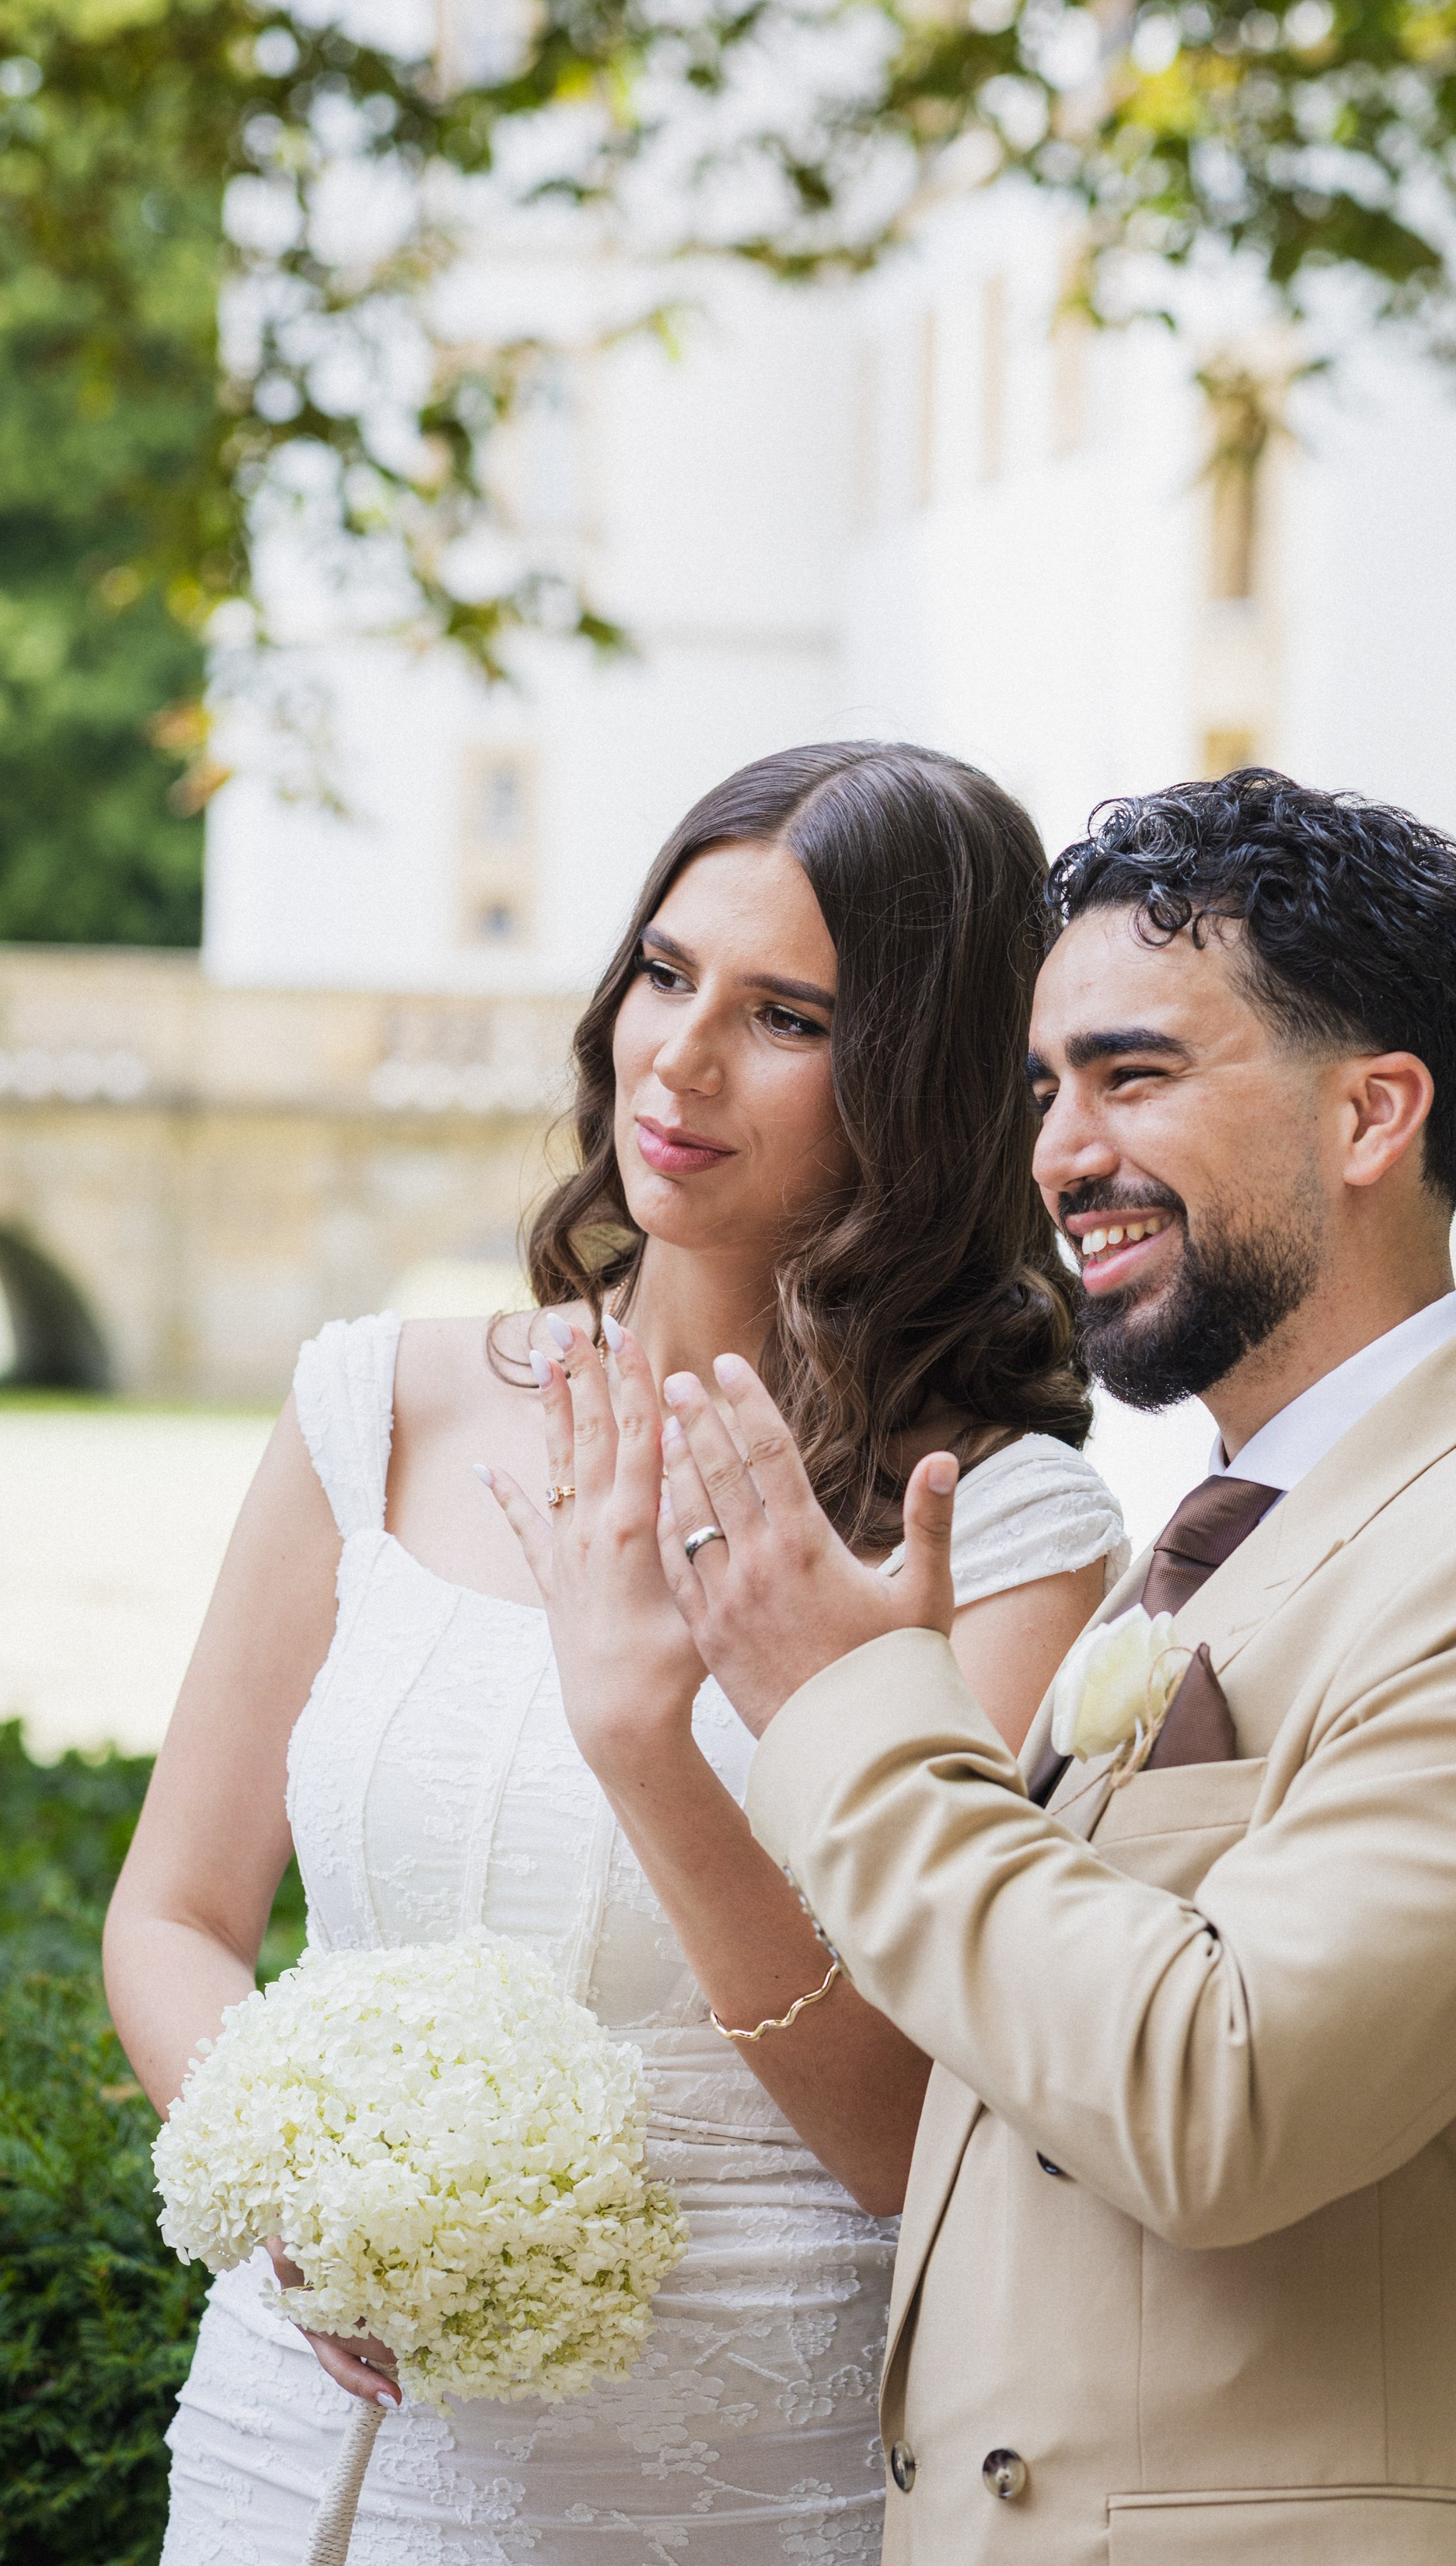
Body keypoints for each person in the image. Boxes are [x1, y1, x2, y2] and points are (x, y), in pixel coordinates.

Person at [613, 771, 1456, 2566]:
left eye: (1130, 1076)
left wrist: (836, 1708)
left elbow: (1221, 2105)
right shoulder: (1205, 1544)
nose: (1058, 1153)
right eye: (1042, 1090)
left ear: (1370, 1114)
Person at [104, 741, 1132, 2565]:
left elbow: (904, 2138)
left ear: (918, 1083)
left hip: (721, 2478)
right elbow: (172, 1914)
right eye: (665, 973)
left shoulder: (992, 1530)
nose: (680, 1056)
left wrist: (647, 1744)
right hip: (289, 2440)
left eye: (787, 1017)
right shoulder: (380, 1405)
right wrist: (303, 2189)